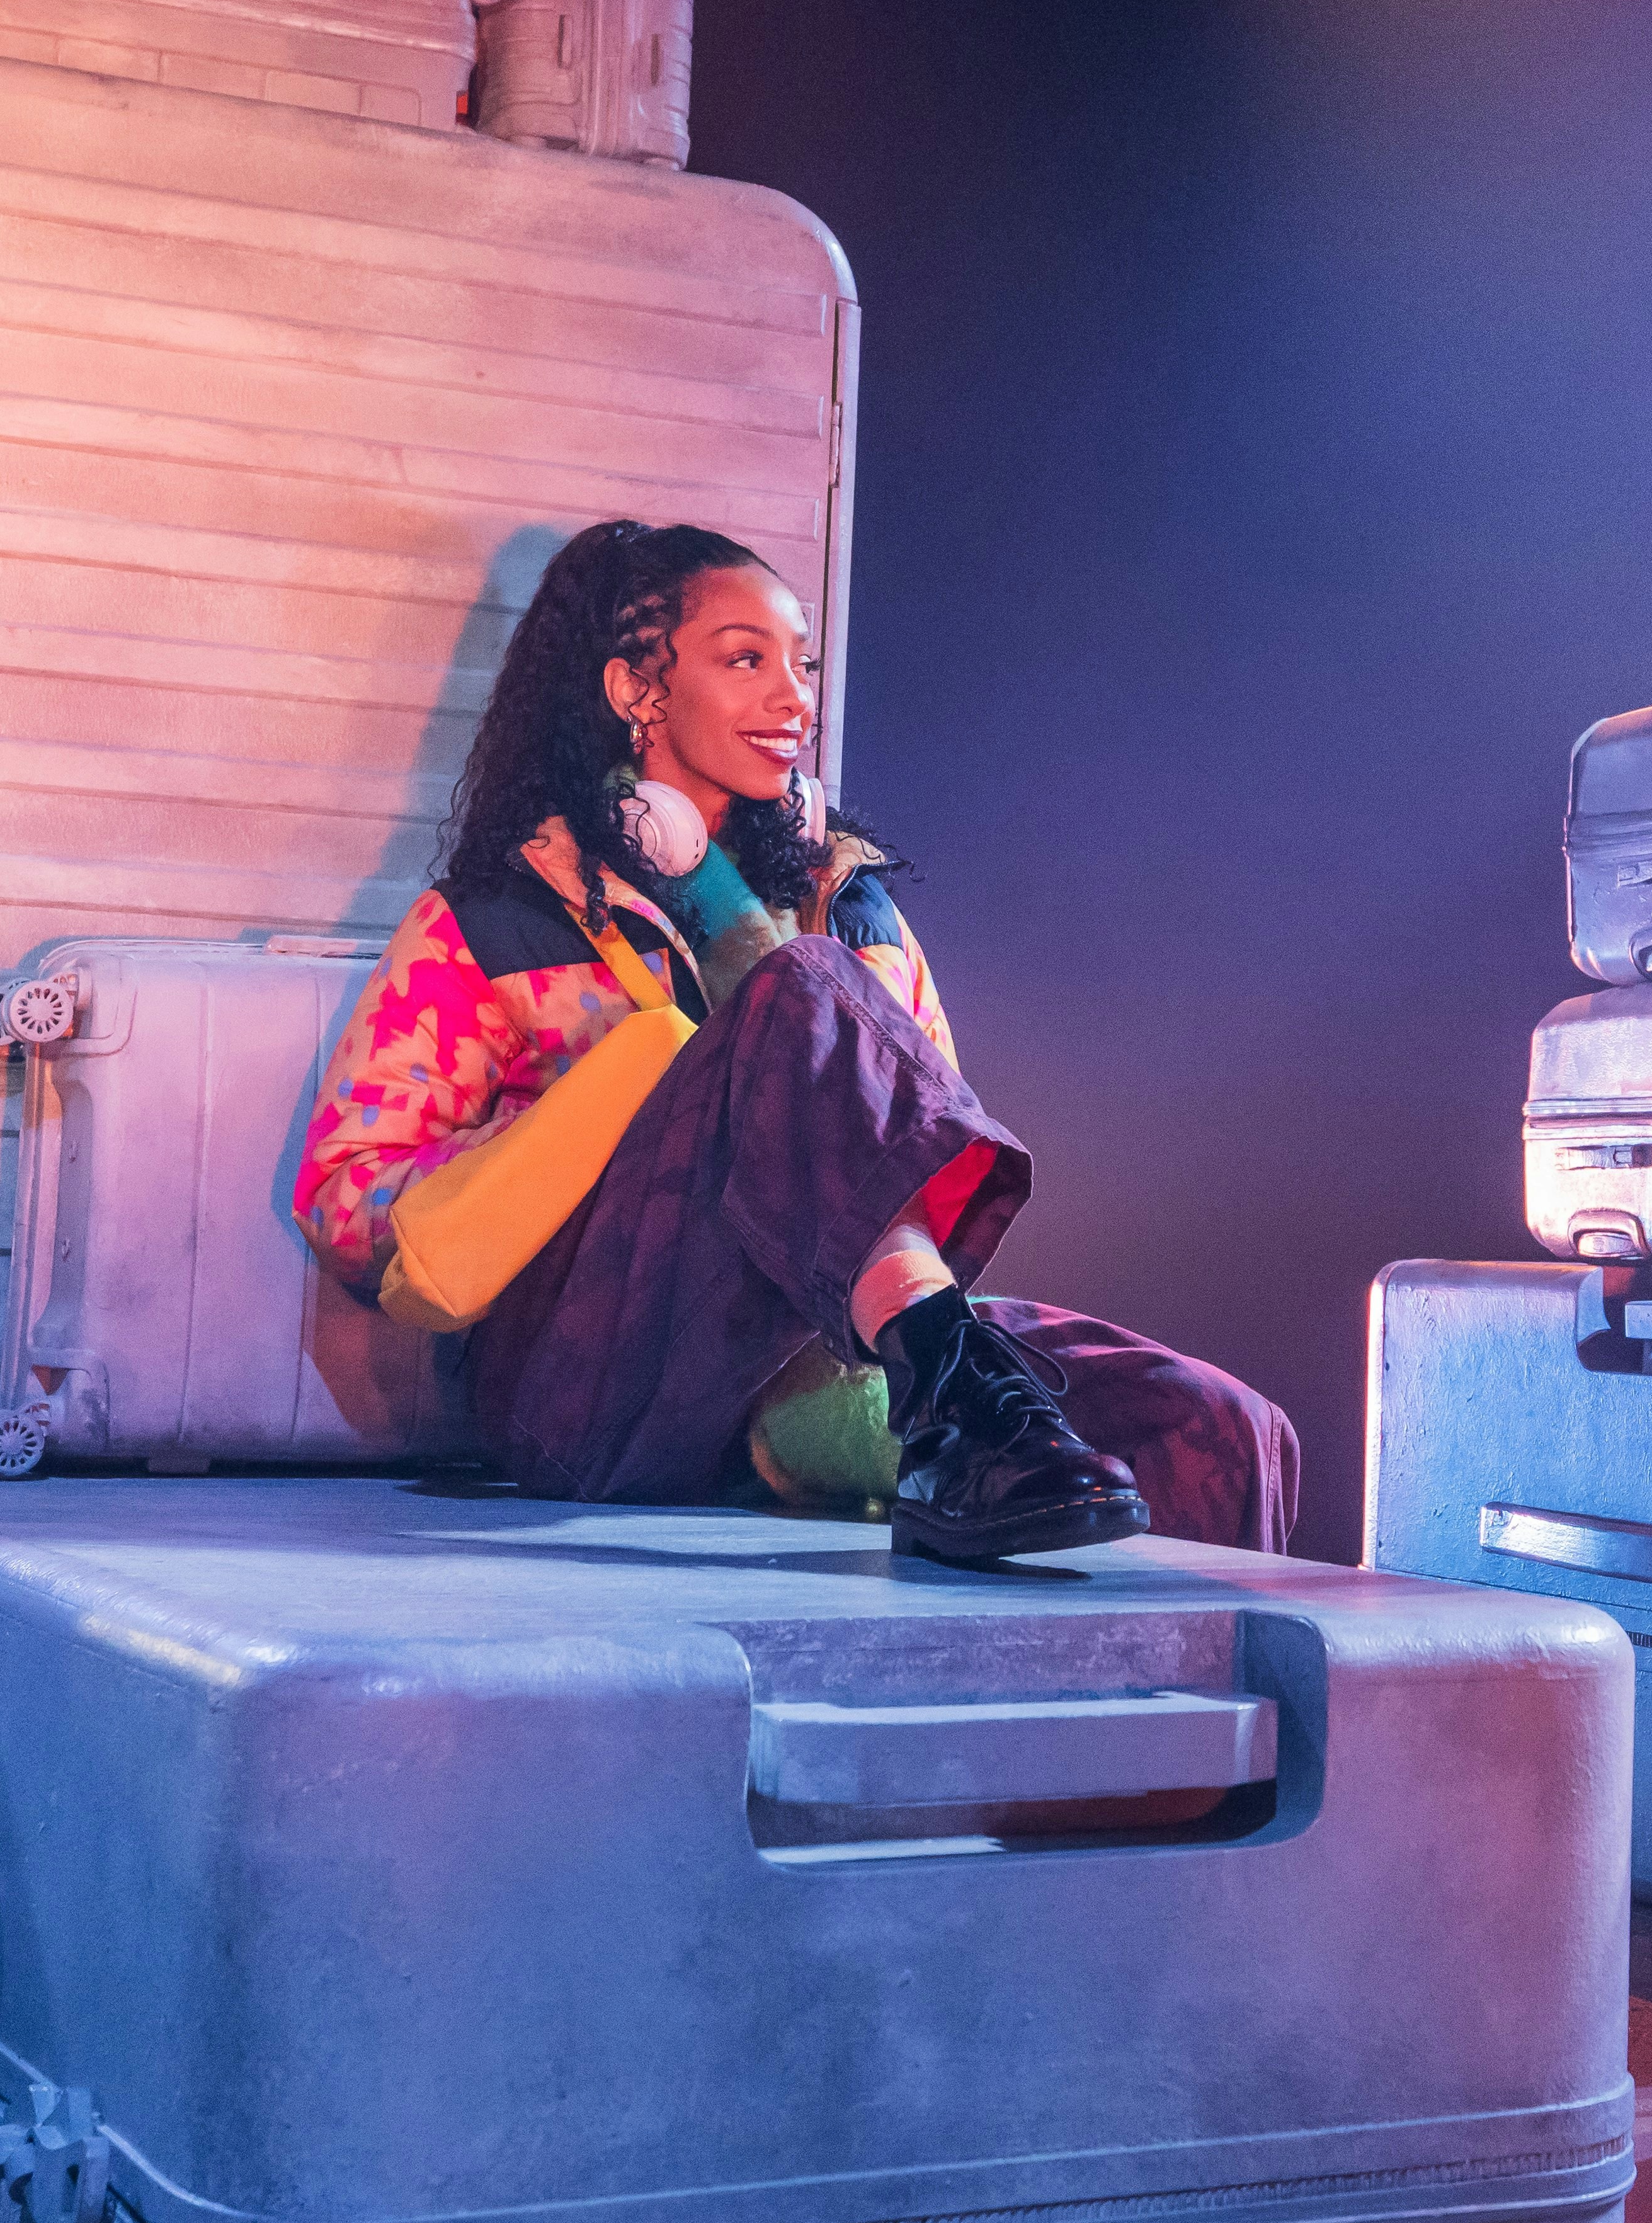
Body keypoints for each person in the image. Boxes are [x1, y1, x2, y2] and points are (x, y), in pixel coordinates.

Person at [293, 520, 1299, 1565]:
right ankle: (949, 1391)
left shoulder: (854, 915)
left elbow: (925, 1160)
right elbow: (345, 1199)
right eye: (746, 660)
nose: (796, 700)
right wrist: (610, 1123)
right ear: (639, 690)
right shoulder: (498, 921)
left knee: (1216, 1426)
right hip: (589, 1382)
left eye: (801, 663)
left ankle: (1169, 1683)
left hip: (825, 1345)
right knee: (795, 987)